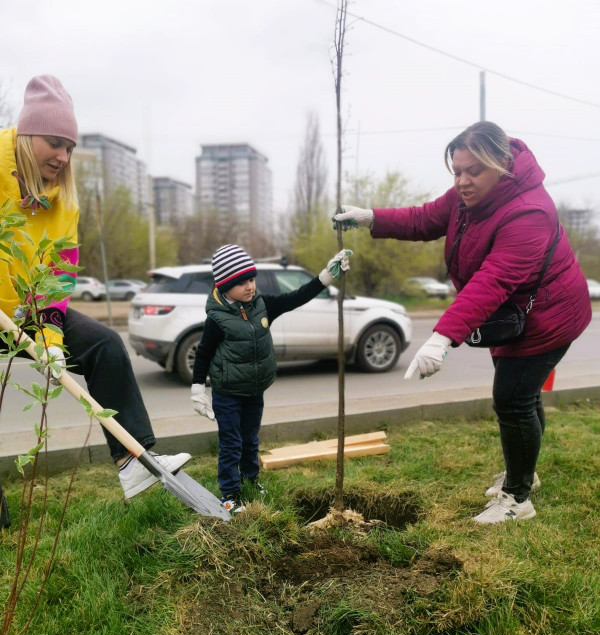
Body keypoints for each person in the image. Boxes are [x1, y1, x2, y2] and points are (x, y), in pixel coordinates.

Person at [333, 121, 592, 524]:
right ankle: (525, 472)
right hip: (514, 314)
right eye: (457, 171)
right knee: (523, 396)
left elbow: (494, 281)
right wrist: (371, 218)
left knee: (513, 398)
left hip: (549, 315)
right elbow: (423, 219)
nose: (462, 181)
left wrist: (442, 337)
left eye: (474, 171)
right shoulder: (467, 197)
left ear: (501, 162)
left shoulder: (529, 212)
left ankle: (517, 499)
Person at [0, 75, 190, 500]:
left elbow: (58, 273)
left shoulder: (63, 200)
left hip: (26, 311)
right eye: (55, 143)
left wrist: (50, 338)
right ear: (28, 137)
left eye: (69, 147)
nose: (64, 157)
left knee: (104, 344)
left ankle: (132, 461)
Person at [190, 244, 351, 513]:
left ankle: (250, 480)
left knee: (250, 440)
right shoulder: (217, 318)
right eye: (241, 283)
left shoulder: (262, 305)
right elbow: (204, 353)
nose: (250, 287)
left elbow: (296, 297)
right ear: (225, 286)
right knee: (231, 443)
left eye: (251, 279)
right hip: (227, 392)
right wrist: (197, 388)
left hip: (255, 390)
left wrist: (326, 277)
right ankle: (230, 494)